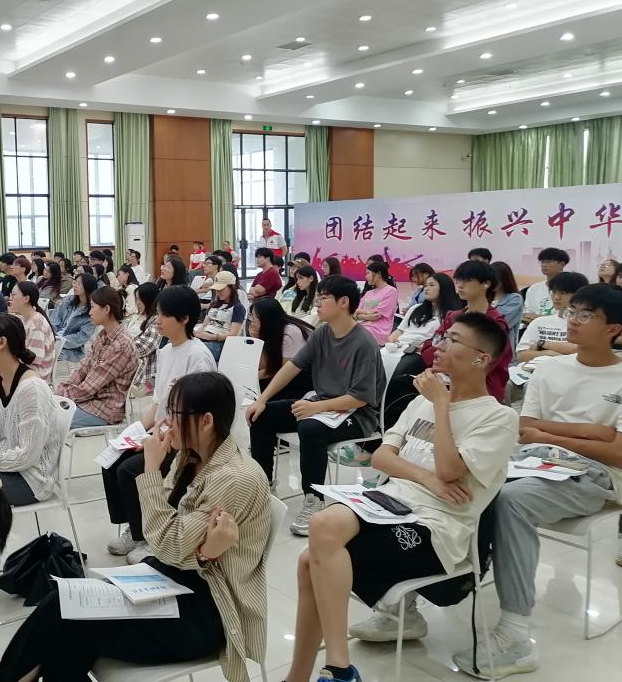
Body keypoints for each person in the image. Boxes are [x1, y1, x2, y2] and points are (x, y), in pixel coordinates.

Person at [0, 371, 271, 682]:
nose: (165, 422)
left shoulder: (233, 478)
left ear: (206, 421)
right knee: (63, 607)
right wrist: (198, 549)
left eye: (175, 414)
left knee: (69, 621)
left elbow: (167, 544)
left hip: (208, 610)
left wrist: (151, 468)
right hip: (172, 580)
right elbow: (168, 541)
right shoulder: (193, 456)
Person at [289, 313, 517, 682]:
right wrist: (426, 478)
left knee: (308, 561)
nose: (439, 346)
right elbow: (381, 457)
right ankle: (334, 669)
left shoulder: (497, 417)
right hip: (390, 503)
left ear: (481, 359)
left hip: (436, 528)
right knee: (323, 524)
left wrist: (442, 404)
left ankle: (318, 673)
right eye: (442, 336)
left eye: (452, 340)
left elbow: (449, 471)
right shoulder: (420, 403)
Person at [442, 283, 622, 678]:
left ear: (614, 329)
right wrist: (594, 431)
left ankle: (515, 633)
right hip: (530, 460)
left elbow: (618, 454)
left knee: (511, 501)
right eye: (572, 312)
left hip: (595, 474)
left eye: (586, 315)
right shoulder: (550, 367)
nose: (573, 321)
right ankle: (412, 598)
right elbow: (524, 429)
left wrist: (548, 434)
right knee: (454, 480)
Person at [247, 275, 385, 535]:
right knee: (261, 415)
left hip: (357, 415)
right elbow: (293, 366)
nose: (317, 304)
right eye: (318, 298)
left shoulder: (364, 343)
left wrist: (316, 408)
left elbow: (360, 398)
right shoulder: (322, 333)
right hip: (323, 406)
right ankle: (263, 485)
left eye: (323, 298)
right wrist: (262, 400)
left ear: (343, 302)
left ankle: (314, 499)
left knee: (310, 428)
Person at [104, 286, 216, 562]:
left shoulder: (197, 356)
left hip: (186, 441)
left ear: (184, 318)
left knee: (130, 470)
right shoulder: (165, 352)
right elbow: (157, 406)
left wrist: (155, 439)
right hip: (164, 433)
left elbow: (197, 416)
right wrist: (133, 434)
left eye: (164, 315)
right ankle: (134, 526)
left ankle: (146, 538)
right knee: (112, 461)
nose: (157, 320)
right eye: (157, 314)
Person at [385, 260, 512, 428]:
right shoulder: (453, 316)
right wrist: (447, 357)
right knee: (397, 385)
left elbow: (485, 365)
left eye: (467, 280)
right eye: (458, 280)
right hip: (444, 377)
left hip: (475, 388)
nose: (460, 285)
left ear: (486, 284)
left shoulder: (495, 323)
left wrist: (446, 359)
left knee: (404, 388)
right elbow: (429, 349)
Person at [0, 314, 60, 506]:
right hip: (5, 465)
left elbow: (27, 456)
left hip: (31, 480)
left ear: (1, 342)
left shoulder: (32, 389)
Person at [57, 286, 138, 429]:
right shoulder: (103, 335)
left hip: (103, 409)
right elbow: (82, 369)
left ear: (106, 309)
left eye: (93, 307)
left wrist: (61, 395)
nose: (89, 312)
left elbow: (89, 388)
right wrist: (63, 389)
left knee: (52, 418)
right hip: (88, 400)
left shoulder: (121, 345)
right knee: (47, 411)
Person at [515, 271, 588, 362]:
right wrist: (549, 353)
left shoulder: (585, 323)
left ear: (579, 294)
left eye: (563, 293)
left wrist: (542, 344)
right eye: (553, 292)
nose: (556, 297)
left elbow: (579, 351)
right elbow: (521, 355)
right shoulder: (539, 322)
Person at [248, 298, 314, 396]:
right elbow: (265, 367)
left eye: (256, 317)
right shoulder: (269, 330)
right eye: (251, 316)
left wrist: (249, 378)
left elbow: (282, 371)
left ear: (268, 318)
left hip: (303, 379)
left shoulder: (291, 332)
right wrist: (257, 340)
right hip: (283, 375)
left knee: (254, 388)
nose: (252, 321)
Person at [389, 272, 462, 351]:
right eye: (425, 285)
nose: (426, 288)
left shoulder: (452, 315)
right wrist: (392, 341)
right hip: (399, 347)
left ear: (444, 288)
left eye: (431, 285)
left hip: (422, 350)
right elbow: (399, 331)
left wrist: (424, 348)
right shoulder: (415, 308)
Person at [8, 281, 56, 383]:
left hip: (36, 374)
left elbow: (34, 359)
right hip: (27, 368)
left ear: (26, 299)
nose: (10, 298)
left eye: (14, 295)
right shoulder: (24, 318)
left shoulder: (36, 324)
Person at [194, 271, 246, 362]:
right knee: (177, 344)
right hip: (205, 338)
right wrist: (194, 335)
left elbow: (233, 334)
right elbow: (204, 325)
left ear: (231, 287)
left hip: (221, 344)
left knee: (195, 352)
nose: (218, 292)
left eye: (221, 289)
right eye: (217, 290)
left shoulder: (238, 308)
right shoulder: (214, 305)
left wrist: (212, 337)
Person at [50, 271, 98, 363]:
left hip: (71, 350)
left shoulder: (92, 311)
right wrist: (52, 336)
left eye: (79, 283)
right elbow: (55, 319)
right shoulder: (68, 300)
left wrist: (59, 341)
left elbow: (81, 337)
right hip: (54, 339)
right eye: (75, 282)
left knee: (50, 354)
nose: (75, 286)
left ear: (88, 286)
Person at [124, 281, 162, 393]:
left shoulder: (157, 320)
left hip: (141, 372)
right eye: (135, 299)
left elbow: (143, 348)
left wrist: (119, 347)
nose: (136, 303)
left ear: (148, 299)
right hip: (127, 360)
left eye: (138, 299)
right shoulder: (137, 316)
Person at [354, 261, 398, 345]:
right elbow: (355, 313)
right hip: (362, 326)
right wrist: (364, 314)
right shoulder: (368, 293)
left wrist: (359, 313)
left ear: (378, 274)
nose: (366, 276)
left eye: (368, 273)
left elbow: (376, 315)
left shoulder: (391, 291)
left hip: (377, 331)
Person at [523, 247, 570, 321]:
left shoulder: (571, 288)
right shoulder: (534, 288)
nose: (544, 265)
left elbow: (570, 315)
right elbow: (527, 313)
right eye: (542, 262)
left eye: (548, 261)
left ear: (562, 264)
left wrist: (539, 318)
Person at [491, 260, 524, 346]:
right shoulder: (483, 297)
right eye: (490, 279)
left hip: (503, 347)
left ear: (504, 279)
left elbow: (499, 324)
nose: (493, 283)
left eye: (496, 279)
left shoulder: (514, 299)